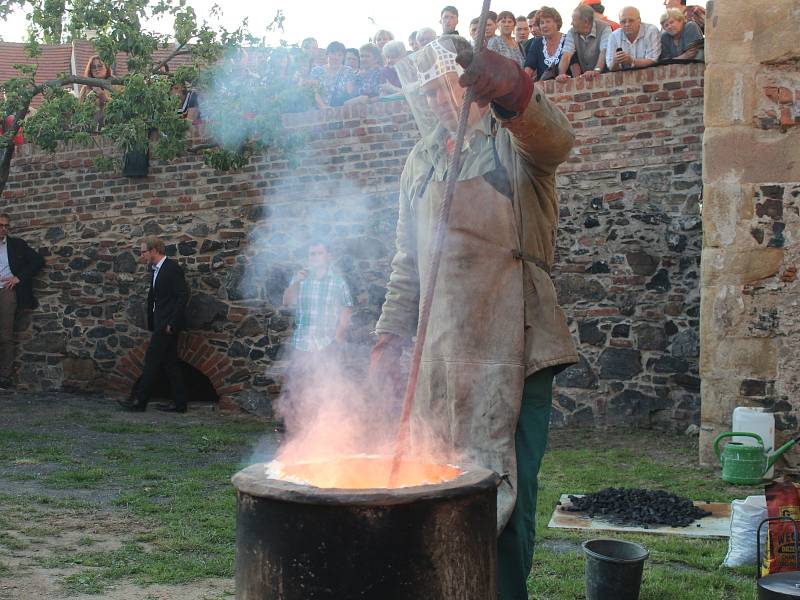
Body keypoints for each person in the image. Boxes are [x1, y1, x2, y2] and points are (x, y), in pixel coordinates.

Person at [373, 35, 577, 600]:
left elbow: (556, 140)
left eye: (448, 87)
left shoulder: (516, 142)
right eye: (429, 93)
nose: (442, 100)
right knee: (435, 488)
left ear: (469, 83)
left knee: (505, 496)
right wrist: (389, 335)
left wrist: (512, 86)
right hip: (439, 351)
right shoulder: (420, 161)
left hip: (516, 346)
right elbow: (407, 263)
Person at [119, 236, 188, 413]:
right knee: (170, 363)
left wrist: (172, 322)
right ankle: (180, 404)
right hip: (160, 323)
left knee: (151, 360)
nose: (141, 256)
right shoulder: (155, 269)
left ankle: (139, 402)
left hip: (166, 325)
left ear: (154, 251)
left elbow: (182, 296)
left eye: (143, 252)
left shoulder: (171, 268)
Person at [282, 241, 353, 403]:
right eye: (312, 254)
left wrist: (338, 336)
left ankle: (326, 421)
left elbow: (346, 309)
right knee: (295, 385)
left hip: (327, 342)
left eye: (319, 253)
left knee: (327, 386)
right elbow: (286, 302)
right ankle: (289, 423)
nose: (315, 257)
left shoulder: (338, 281)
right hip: (302, 342)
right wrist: (296, 282)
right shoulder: (300, 278)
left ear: (328, 256)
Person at [0, 213, 44, 390]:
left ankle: (4, 376)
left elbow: (37, 261)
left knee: (5, 334)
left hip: (6, 291)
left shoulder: (16, 244)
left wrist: (19, 278)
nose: (3, 229)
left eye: (6, 226)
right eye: (0, 225)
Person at [556, 4, 611, 81]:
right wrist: (561, 74)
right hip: (584, 79)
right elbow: (567, 54)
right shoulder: (572, 32)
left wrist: (596, 70)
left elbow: (604, 51)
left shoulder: (605, 28)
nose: (571, 23)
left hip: (605, 78)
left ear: (586, 22)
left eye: (574, 20)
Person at [606, 6, 661, 71]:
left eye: (631, 20)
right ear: (620, 23)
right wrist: (615, 62)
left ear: (639, 20)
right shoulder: (614, 36)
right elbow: (610, 67)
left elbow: (653, 60)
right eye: (623, 21)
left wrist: (632, 61)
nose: (627, 24)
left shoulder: (651, 31)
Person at [308, 41, 358, 108]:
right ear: (327, 54)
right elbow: (314, 92)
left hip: (341, 110)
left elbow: (349, 93)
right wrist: (324, 107)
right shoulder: (316, 71)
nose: (336, 57)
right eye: (333, 53)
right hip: (320, 112)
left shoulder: (348, 71)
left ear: (343, 57)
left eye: (340, 55)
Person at [524, 7, 566, 81]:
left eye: (548, 21)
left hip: (567, 88)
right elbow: (529, 68)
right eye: (542, 23)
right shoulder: (537, 42)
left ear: (557, 23)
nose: (544, 25)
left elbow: (575, 67)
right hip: (544, 90)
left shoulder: (568, 40)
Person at [78, 55, 114, 129]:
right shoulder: (86, 88)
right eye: (93, 67)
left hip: (113, 127)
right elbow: (79, 110)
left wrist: (105, 98)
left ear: (106, 67)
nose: (97, 69)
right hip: (91, 130)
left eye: (100, 66)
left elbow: (121, 107)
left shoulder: (116, 86)